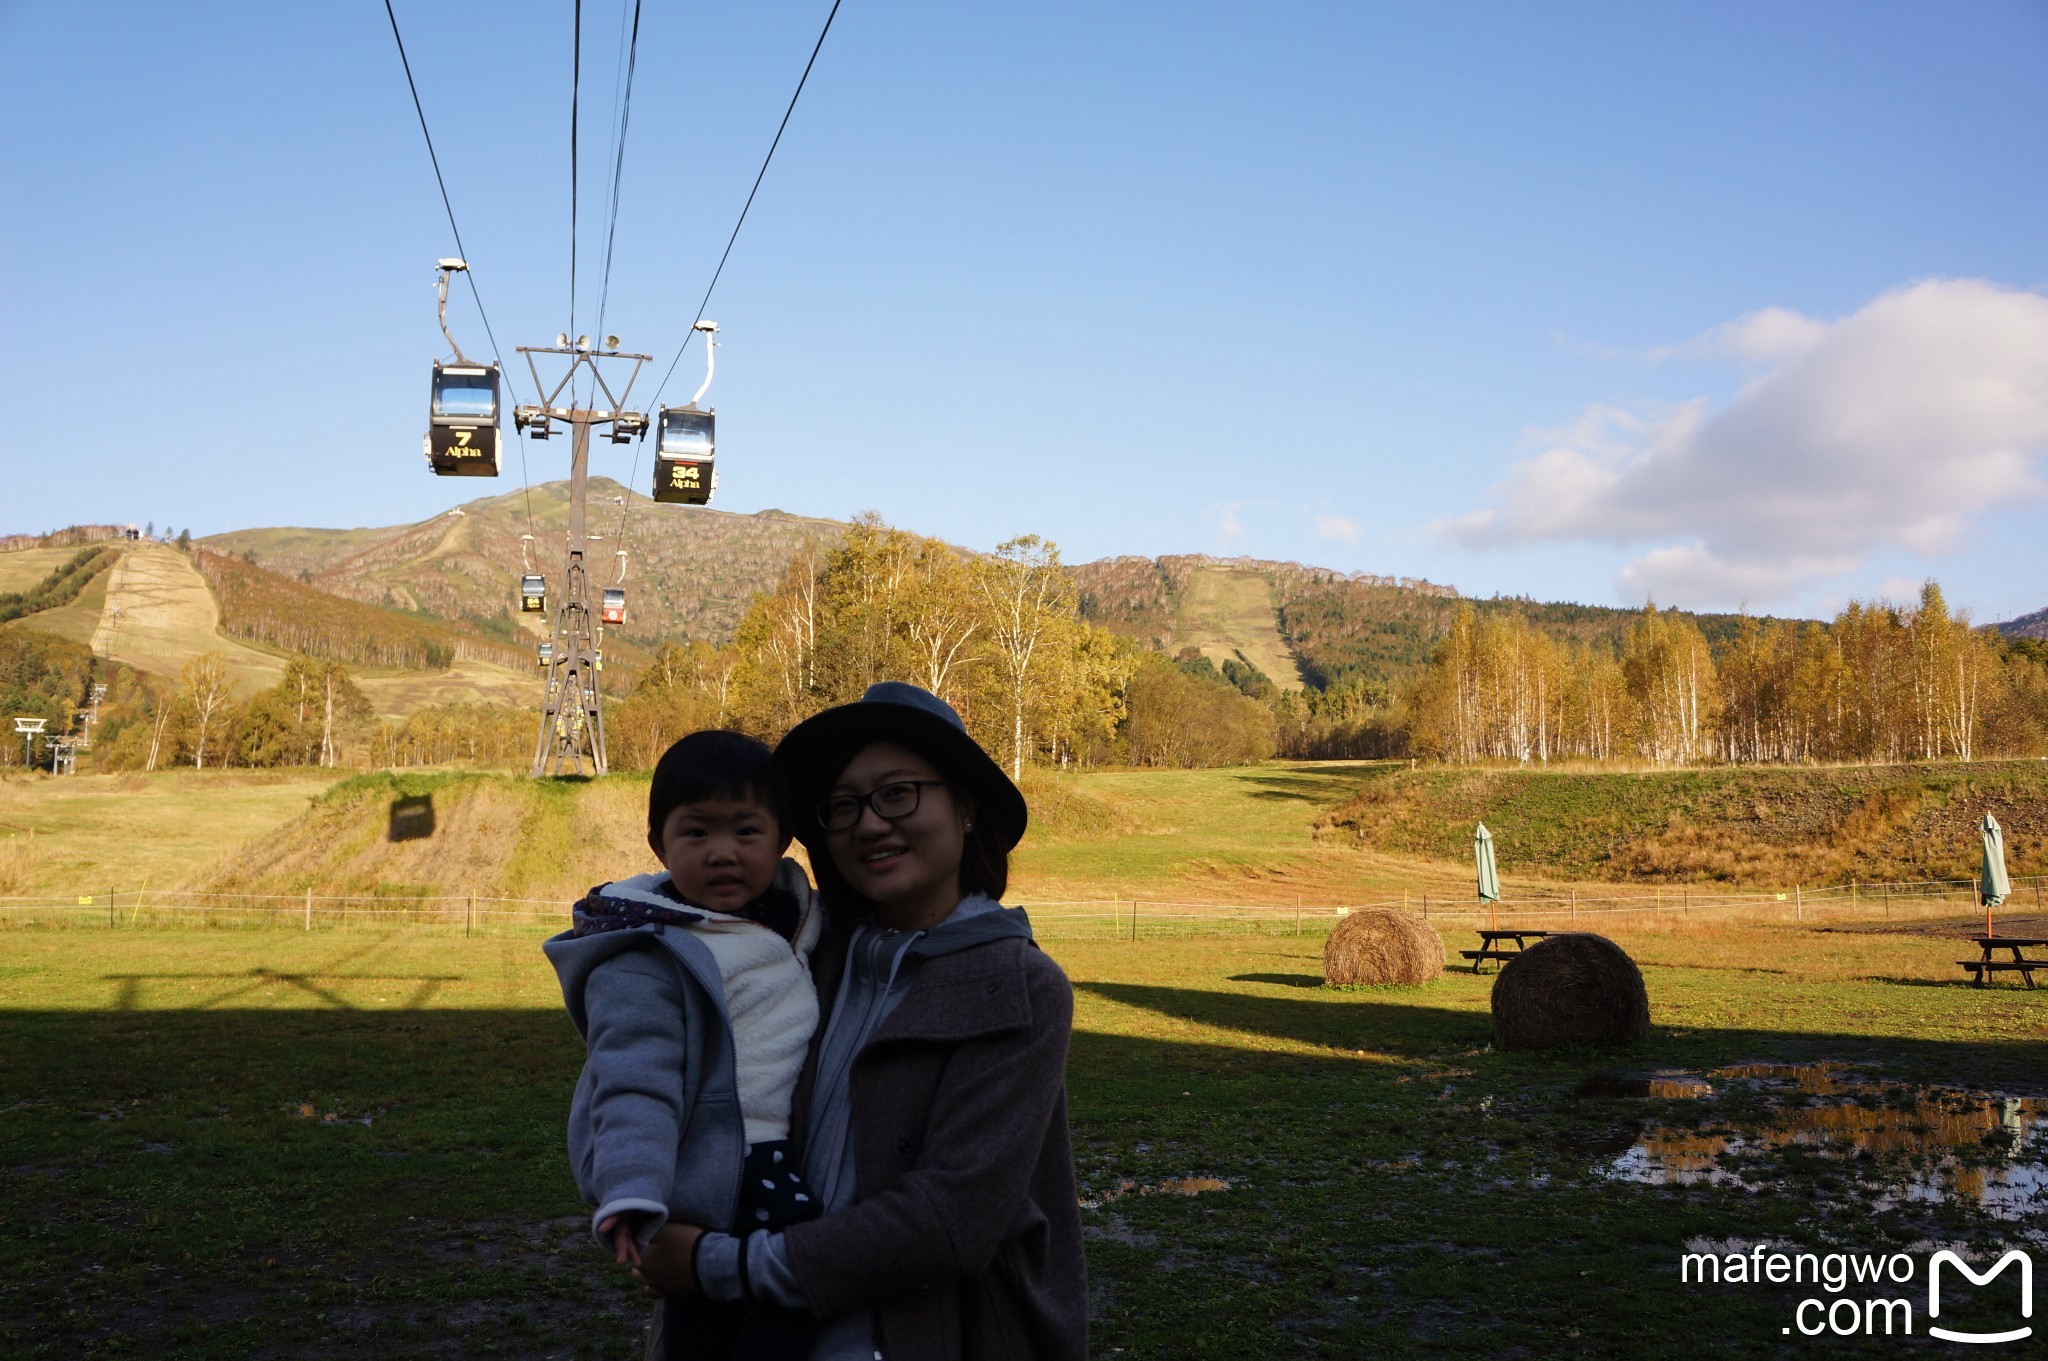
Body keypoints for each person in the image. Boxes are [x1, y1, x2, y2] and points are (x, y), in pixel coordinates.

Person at [634, 682, 1088, 1361]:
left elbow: (948, 1221)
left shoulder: (1019, 988)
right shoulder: (803, 957)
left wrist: (714, 1264)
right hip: (750, 1335)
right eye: (843, 805)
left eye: (899, 792)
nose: (870, 823)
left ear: (965, 807)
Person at [544, 730, 826, 1360]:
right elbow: (633, 1079)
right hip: (717, 1179)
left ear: (781, 841)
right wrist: (631, 1187)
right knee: (725, 1329)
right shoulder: (648, 955)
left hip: (781, 1160)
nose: (723, 853)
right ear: (659, 845)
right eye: (697, 833)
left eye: (746, 833)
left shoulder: (793, 917)